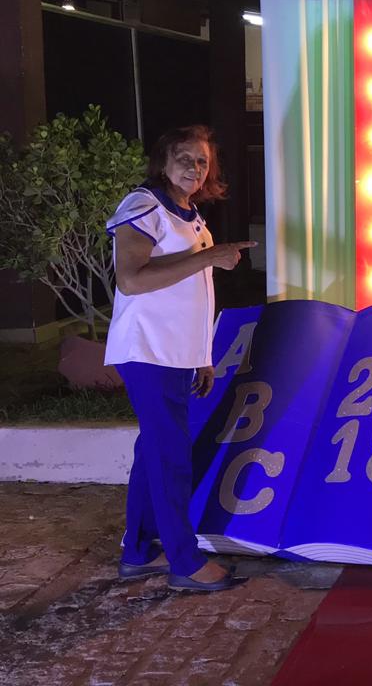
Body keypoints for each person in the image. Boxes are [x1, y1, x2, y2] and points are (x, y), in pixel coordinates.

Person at [106, 125, 255, 592]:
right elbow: (131, 279)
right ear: (164, 162)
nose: (194, 168)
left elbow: (194, 295)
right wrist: (210, 257)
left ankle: (138, 551)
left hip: (174, 353)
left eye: (202, 161)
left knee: (153, 448)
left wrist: (202, 357)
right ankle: (184, 561)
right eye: (184, 158)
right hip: (147, 349)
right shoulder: (144, 206)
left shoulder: (190, 216)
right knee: (170, 453)